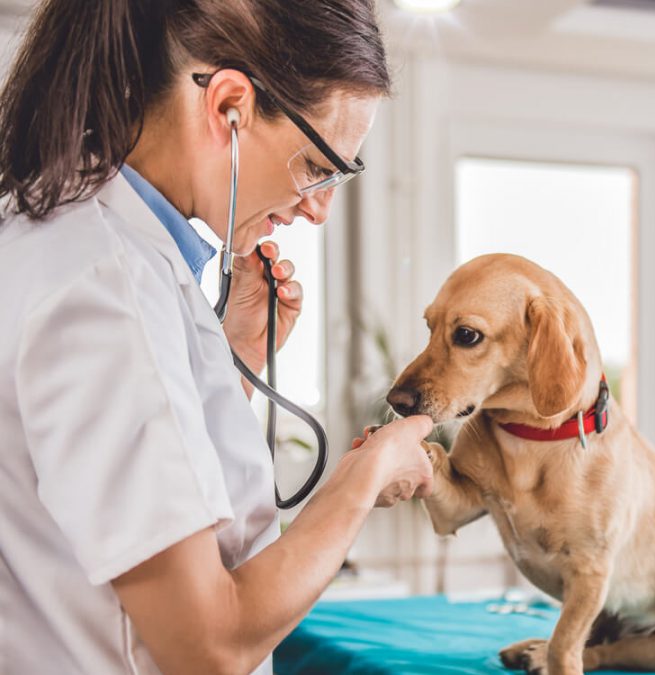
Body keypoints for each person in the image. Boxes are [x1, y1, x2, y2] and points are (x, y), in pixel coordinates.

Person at [0, 1, 433, 673]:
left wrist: (231, 360)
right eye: (319, 167)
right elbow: (207, 642)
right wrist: (361, 480)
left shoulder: (79, 247)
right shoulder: (103, 287)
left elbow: (110, 475)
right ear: (228, 106)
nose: (318, 210)